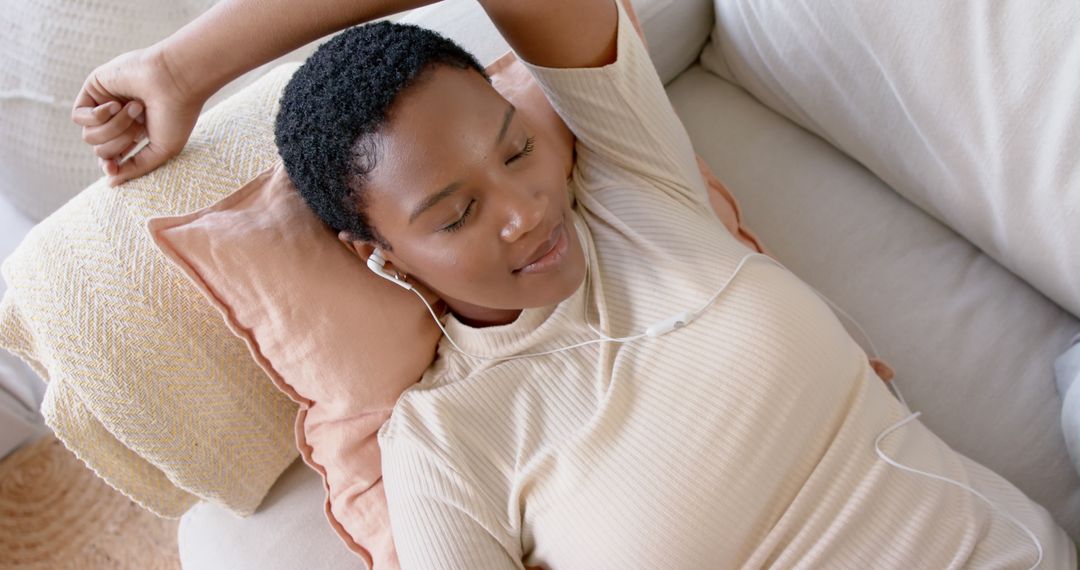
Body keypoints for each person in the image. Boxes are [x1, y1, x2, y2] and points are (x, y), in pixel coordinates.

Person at [72, 0, 1077, 567]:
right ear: (380, 256)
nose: (525, 209)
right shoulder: (444, 438)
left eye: (516, 150)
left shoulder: (635, 191)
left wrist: (185, 64)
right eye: (455, 215)